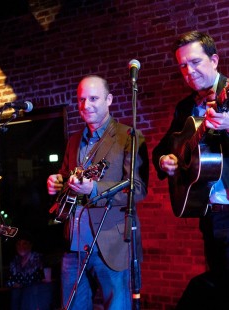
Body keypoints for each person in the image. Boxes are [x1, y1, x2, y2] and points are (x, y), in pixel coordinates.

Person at [47, 75, 149, 309]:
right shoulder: (74, 140)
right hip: (74, 245)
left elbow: (138, 189)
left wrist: (94, 189)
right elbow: (65, 176)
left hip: (112, 245)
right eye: (81, 100)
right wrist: (57, 181)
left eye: (94, 98)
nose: (86, 106)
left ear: (109, 99)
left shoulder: (128, 137)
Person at [152, 30, 229, 308]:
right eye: (183, 65)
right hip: (210, 215)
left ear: (215, 60)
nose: (189, 71)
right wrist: (165, 161)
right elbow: (161, 149)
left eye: (195, 62)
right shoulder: (185, 107)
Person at [6, 232, 50, 310]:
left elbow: (47, 280)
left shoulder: (39, 259)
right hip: (18, 297)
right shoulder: (14, 261)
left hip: (35, 298)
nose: (21, 246)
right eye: (18, 244)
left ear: (30, 245)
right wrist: (14, 284)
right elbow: (8, 281)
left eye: (24, 244)